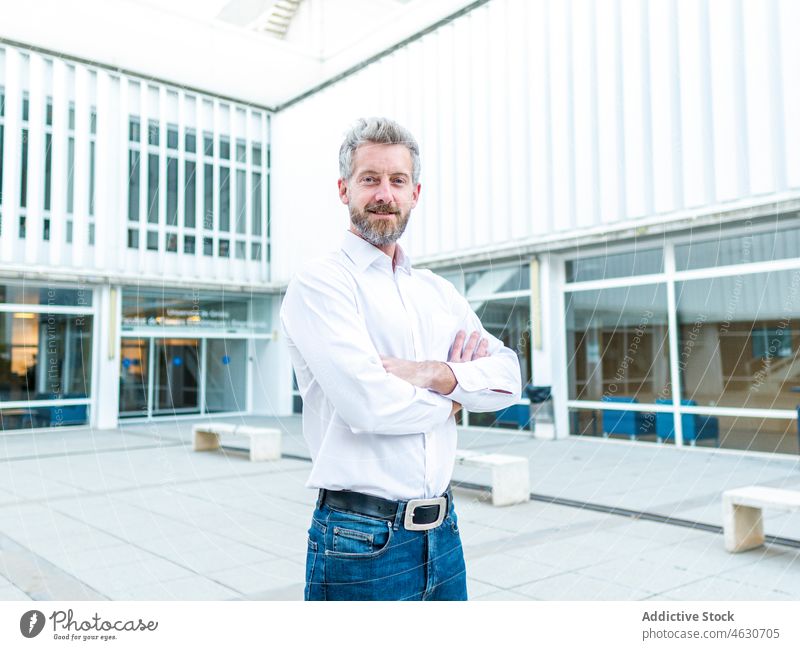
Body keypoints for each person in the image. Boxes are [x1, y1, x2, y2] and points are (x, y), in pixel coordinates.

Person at [280, 117, 522, 600]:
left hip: (445, 533)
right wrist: (457, 397)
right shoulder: (322, 284)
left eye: (398, 180)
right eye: (370, 179)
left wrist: (434, 373)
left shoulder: (437, 291)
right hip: (359, 542)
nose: (384, 193)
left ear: (416, 192)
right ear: (343, 188)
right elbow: (368, 406)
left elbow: (509, 378)